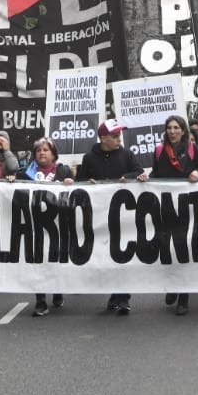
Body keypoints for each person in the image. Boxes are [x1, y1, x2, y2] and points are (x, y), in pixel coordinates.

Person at [80, 119, 147, 314]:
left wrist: (131, 177)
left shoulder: (126, 154)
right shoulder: (89, 158)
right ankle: (113, 294)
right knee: (107, 255)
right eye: (114, 136)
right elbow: (81, 180)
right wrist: (87, 181)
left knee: (123, 254)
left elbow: (139, 172)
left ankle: (123, 297)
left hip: (123, 214)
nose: (119, 139)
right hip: (100, 215)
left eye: (119, 135)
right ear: (103, 138)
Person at [151, 114, 198, 315]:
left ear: (183, 131)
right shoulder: (159, 151)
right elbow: (155, 176)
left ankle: (184, 296)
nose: (172, 131)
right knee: (166, 250)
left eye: (176, 128)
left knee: (183, 249)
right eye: (169, 128)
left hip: (186, 207)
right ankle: (173, 285)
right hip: (166, 208)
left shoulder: (192, 149)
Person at [24, 137, 75, 316]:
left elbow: (77, 194)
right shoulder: (27, 173)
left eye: (45, 150)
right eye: (38, 150)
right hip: (35, 224)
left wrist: (71, 184)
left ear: (53, 154)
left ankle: (57, 289)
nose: (42, 153)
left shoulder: (64, 171)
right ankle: (40, 301)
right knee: (38, 261)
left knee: (55, 259)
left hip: (57, 225)